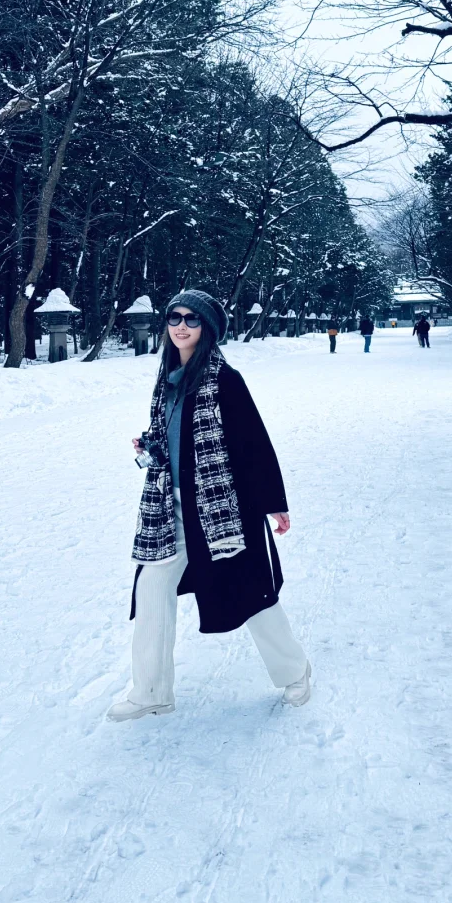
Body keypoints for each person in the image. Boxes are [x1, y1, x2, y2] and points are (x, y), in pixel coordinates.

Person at [107, 289, 311, 721]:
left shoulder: (224, 378)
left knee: (253, 595)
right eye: (174, 317)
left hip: (222, 510)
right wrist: (150, 445)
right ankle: (151, 692)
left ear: (208, 329)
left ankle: (295, 671)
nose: (181, 325)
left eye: (192, 319)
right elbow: (169, 436)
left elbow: (254, 441)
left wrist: (272, 501)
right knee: (151, 593)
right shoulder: (168, 377)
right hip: (170, 508)